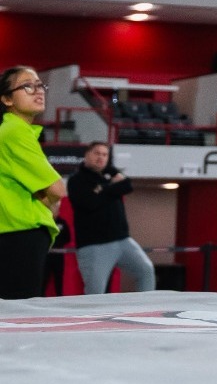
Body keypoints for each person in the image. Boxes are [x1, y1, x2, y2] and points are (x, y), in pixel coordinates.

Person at [0, 66, 66, 299]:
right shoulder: (15, 132)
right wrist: (49, 202)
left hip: (13, 234)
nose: (38, 91)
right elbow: (57, 189)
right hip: (20, 234)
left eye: (39, 85)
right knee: (20, 311)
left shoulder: (13, 131)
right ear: (7, 99)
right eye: (27, 86)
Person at [67, 142, 157, 294]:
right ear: (87, 155)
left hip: (122, 239)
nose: (101, 157)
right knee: (95, 292)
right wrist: (112, 188)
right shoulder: (76, 180)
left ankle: (144, 306)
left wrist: (103, 188)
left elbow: (127, 185)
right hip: (94, 245)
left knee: (146, 271)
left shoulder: (108, 175)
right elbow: (89, 203)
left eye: (105, 154)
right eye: (97, 153)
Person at [44, 215, 71, 296]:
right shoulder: (45, 220)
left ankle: (60, 296)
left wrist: (59, 244)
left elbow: (68, 238)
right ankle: (40, 297)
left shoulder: (62, 222)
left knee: (59, 278)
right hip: (46, 256)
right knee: (44, 277)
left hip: (59, 256)